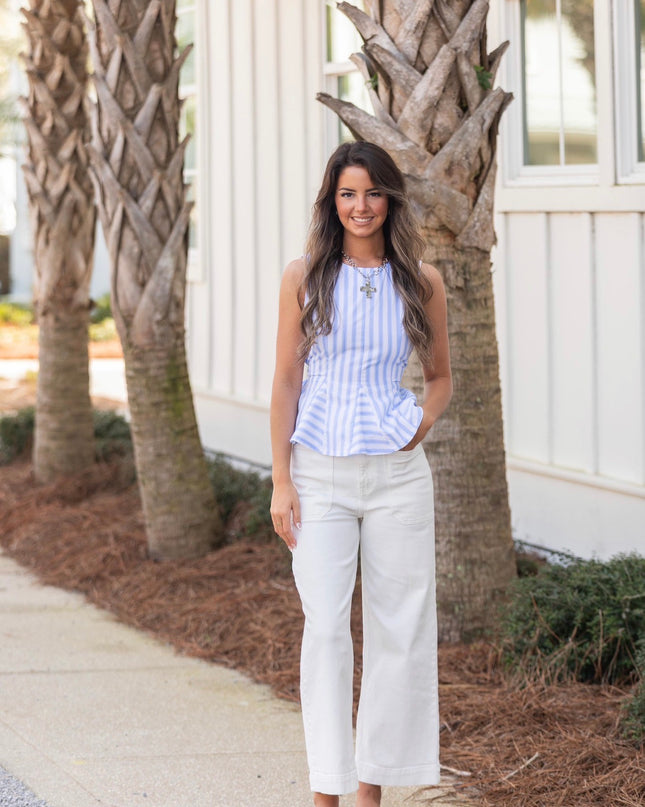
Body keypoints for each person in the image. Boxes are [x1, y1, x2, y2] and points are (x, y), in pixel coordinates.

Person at [270, 141, 452, 807]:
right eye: (347, 193)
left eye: (372, 192)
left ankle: (370, 786)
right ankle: (328, 787)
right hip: (317, 474)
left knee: (397, 629)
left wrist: (419, 423)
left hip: (398, 478)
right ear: (332, 201)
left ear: (389, 199)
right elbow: (286, 379)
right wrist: (280, 480)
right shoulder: (304, 276)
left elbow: (439, 379)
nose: (360, 206)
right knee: (324, 628)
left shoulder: (420, 280)